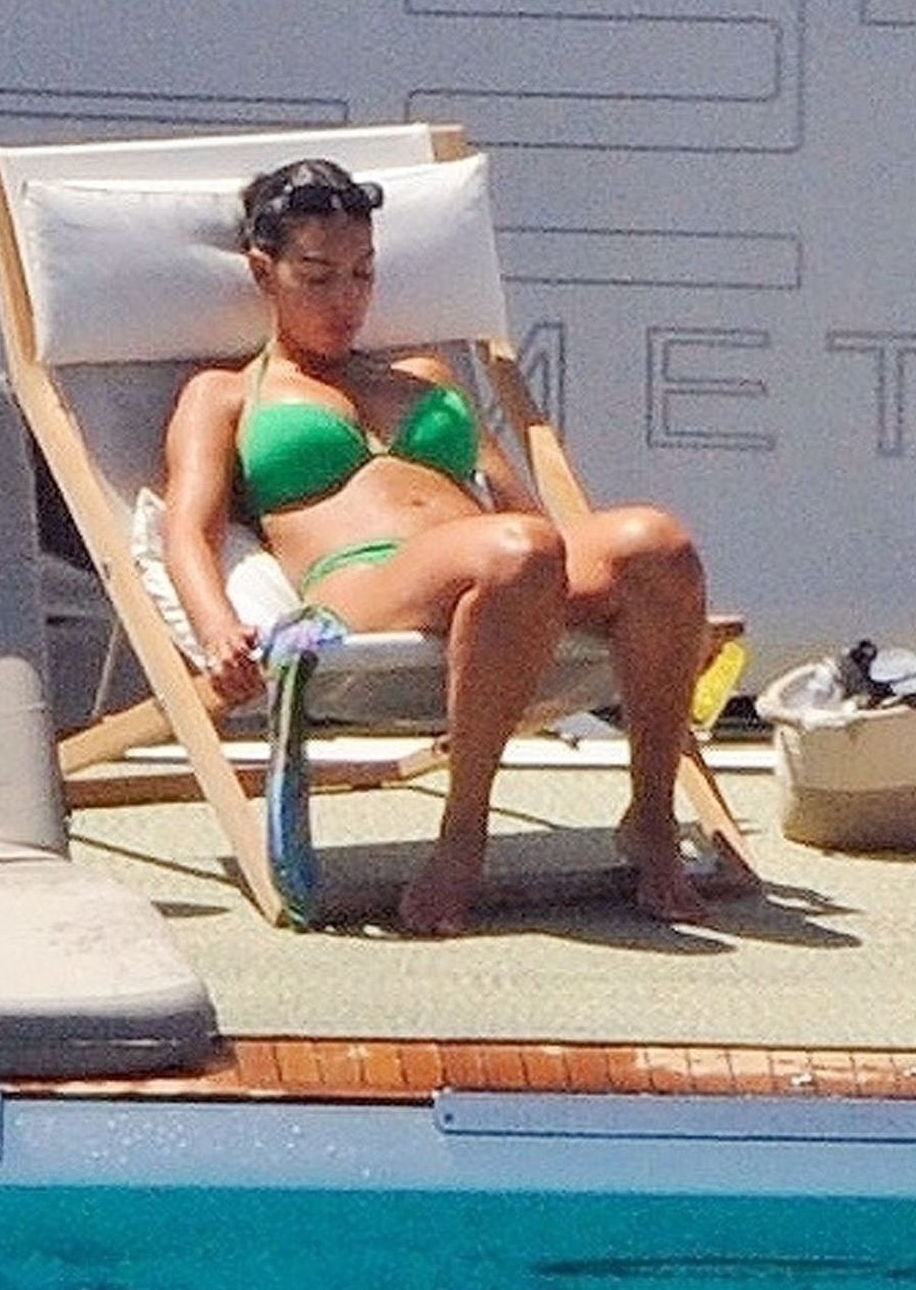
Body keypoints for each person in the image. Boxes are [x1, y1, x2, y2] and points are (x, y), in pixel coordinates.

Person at [163, 157, 712, 933]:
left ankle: (650, 815)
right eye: (316, 276)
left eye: (362, 273)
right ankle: (462, 836)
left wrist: (594, 582)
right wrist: (215, 625)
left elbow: (520, 507)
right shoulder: (221, 393)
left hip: (502, 569)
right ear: (263, 272)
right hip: (365, 585)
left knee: (658, 542)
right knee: (515, 551)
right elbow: (187, 528)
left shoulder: (425, 374)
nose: (345, 299)